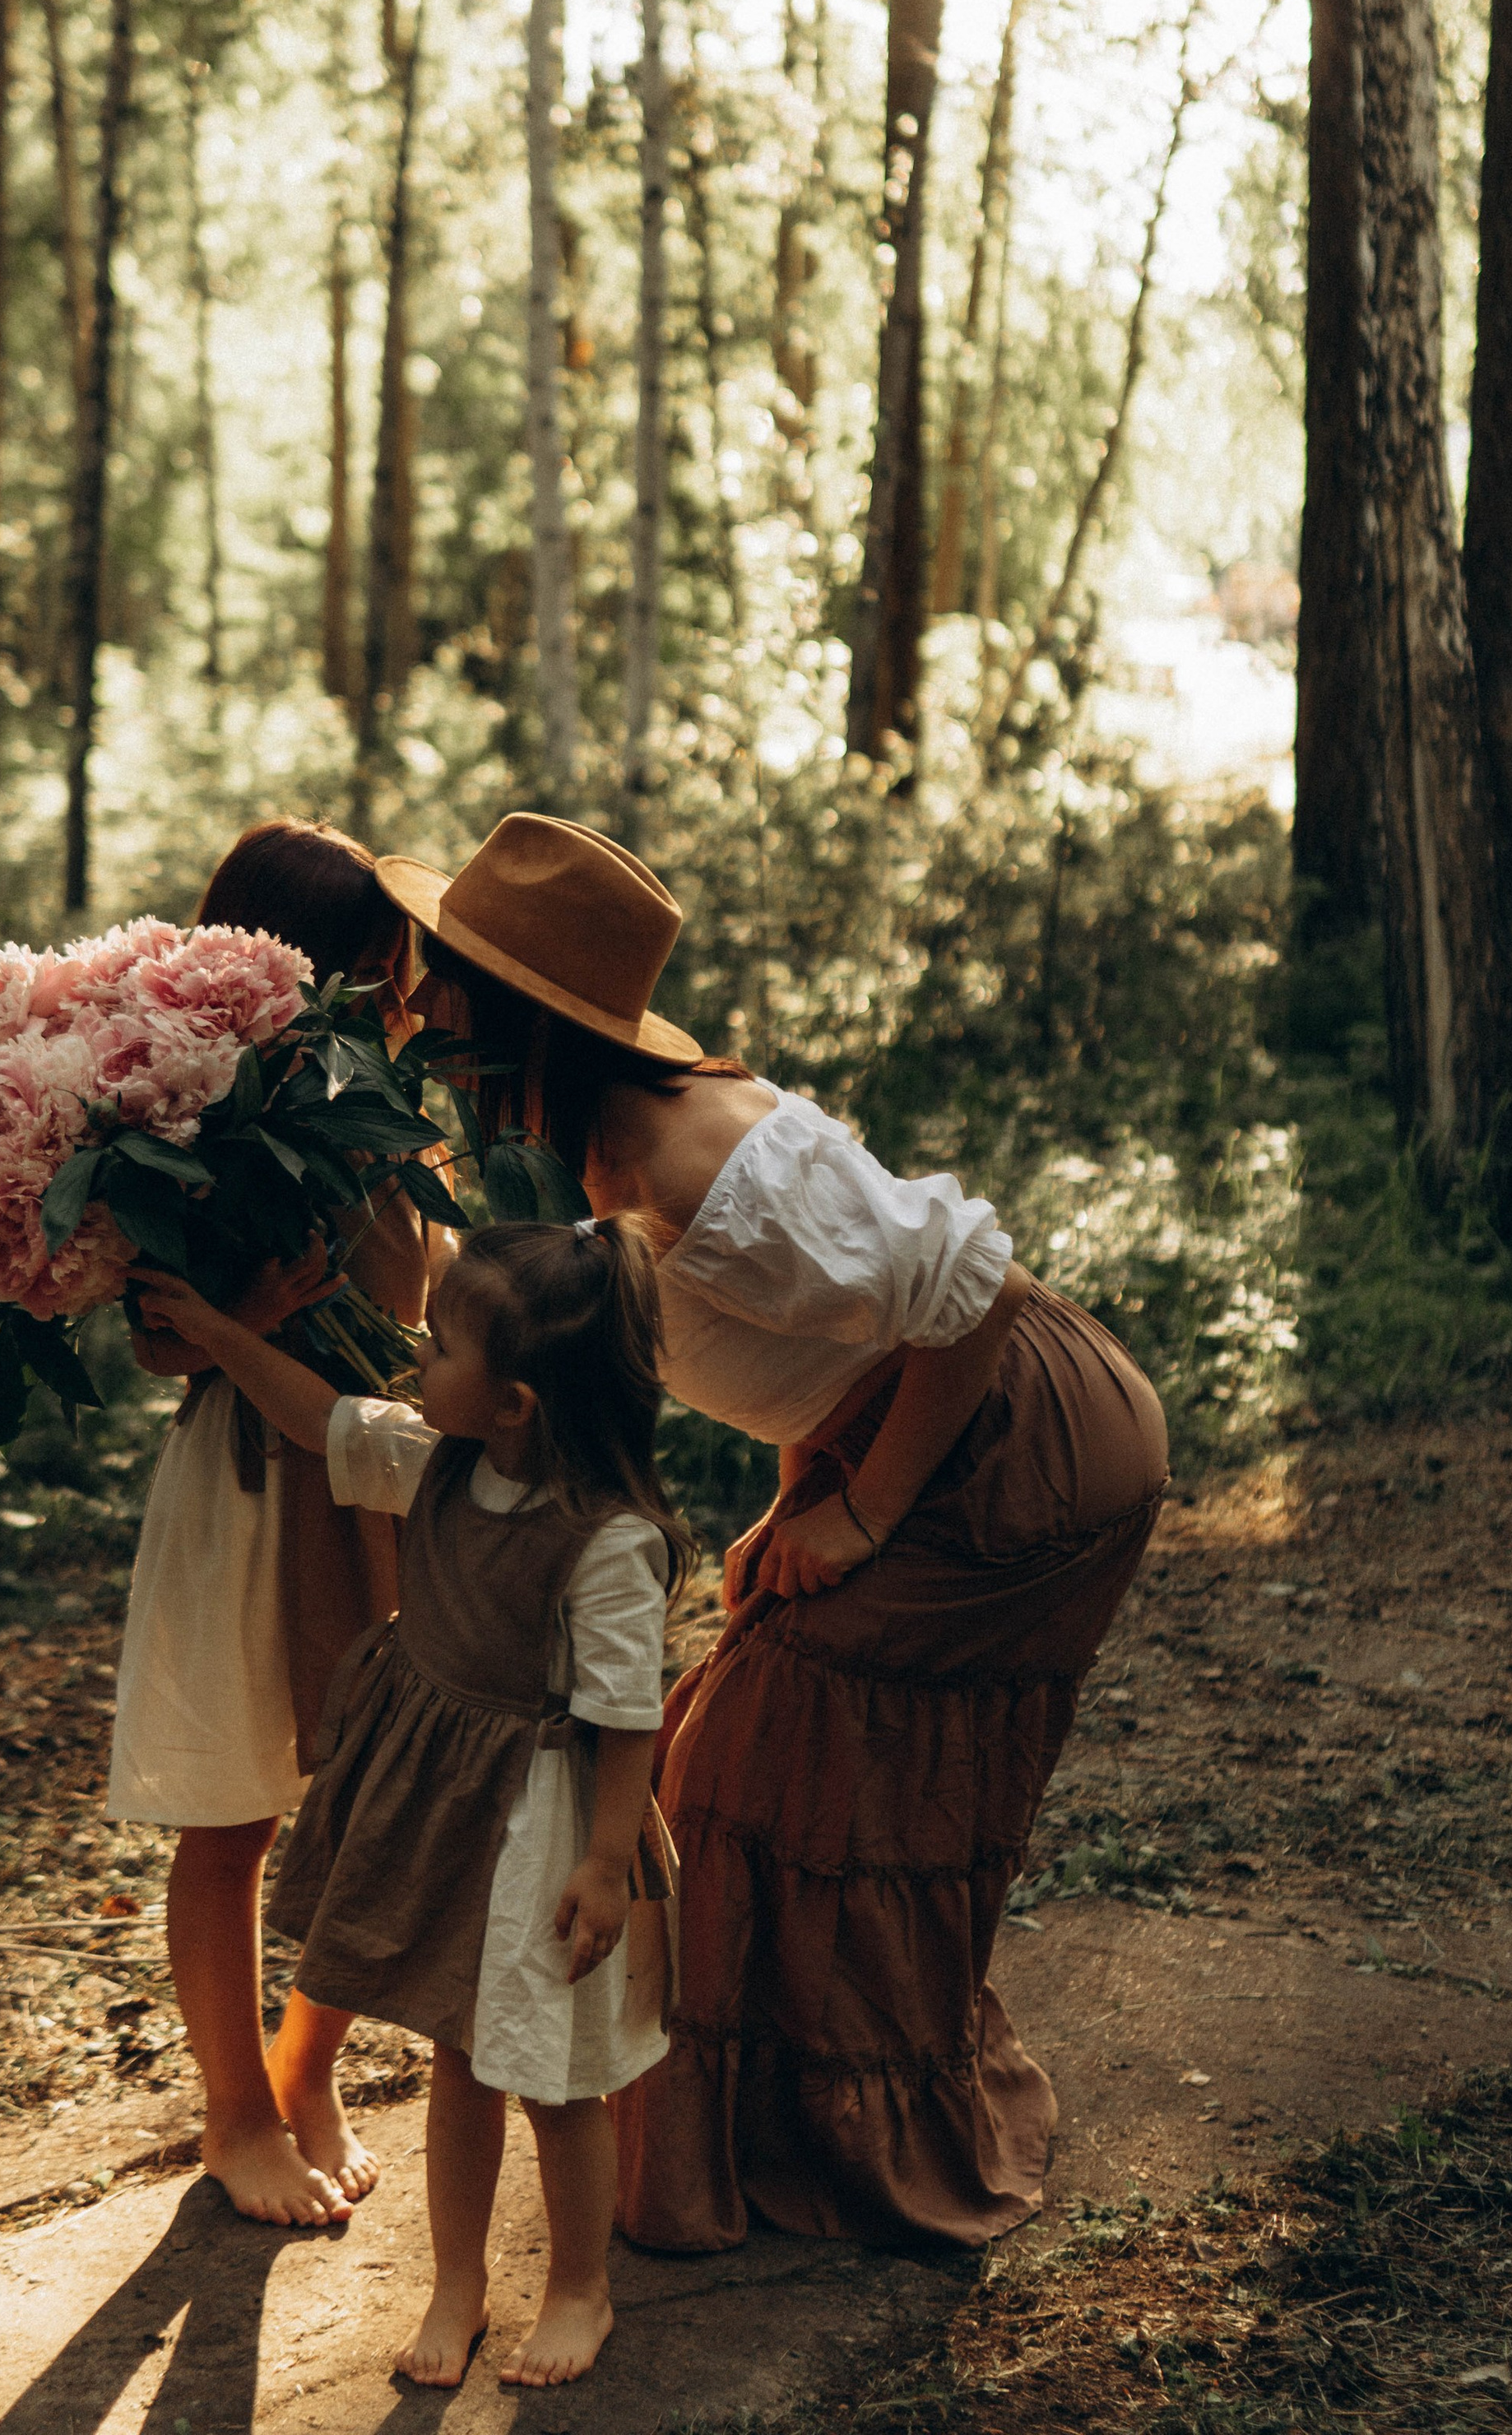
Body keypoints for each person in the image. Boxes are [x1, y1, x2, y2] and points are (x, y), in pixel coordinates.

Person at [369, 811, 1171, 2254]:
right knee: (734, 1746)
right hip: (906, 1427)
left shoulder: (698, 1164)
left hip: (1021, 1448)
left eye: (446, 978)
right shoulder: (613, 1152)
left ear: (528, 1013)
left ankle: (842, 2134)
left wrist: (865, 1511)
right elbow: (842, 1335)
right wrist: (803, 1500)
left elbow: (968, 1297)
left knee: (754, 1759)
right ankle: (786, 2119)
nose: (422, 1006)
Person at [132, 1218, 689, 2391]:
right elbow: (312, 1414)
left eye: (438, 1349)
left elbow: (626, 1711)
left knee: (554, 2076)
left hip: (546, 1827)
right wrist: (221, 1329)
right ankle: (459, 2280)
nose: (413, 1364)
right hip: (451, 1818)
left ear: (516, 1403)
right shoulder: (434, 1459)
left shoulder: (607, 1541)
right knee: (460, 2054)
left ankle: (580, 2286)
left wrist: (601, 1864)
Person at [107, 815, 448, 2228]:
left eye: (401, 977)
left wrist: (372, 1142)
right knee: (233, 1818)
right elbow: (153, 1340)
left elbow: (413, 1291)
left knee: (364, 1798)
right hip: (244, 1484)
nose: (397, 997)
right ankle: (235, 2113)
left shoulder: (377, 1094)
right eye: (372, 972)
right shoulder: (171, 1110)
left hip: (367, 1467)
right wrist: (241, 1322)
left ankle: (308, 2069)